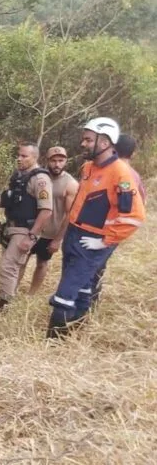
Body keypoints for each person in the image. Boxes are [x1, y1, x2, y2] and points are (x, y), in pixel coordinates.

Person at [47, 118, 146, 338]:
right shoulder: (88, 167)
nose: (83, 144)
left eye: (88, 140)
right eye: (84, 139)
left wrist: (104, 241)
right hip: (75, 234)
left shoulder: (121, 174)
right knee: (83, 286)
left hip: (94, 240)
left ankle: (53, 340)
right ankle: (76, 331)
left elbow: (135, 216)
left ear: (104, 142)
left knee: (66, 291)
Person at [0, 143, 52, 312]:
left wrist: (31, 237)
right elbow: (13, 198)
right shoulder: (20, 176)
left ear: (35, 157)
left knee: (8, 267)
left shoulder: (41, 180)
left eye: (25, 156)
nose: (19, 159)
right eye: (19, 155)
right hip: (11, 227)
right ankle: (6, 302)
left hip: (25, 230)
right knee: (10, 267)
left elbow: (46, 211)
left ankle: (4, 308)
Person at [91, 133, 147, 306]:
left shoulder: (110, 171)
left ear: (112, 147)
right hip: (113, 231)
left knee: (92, 267)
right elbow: (140, 204)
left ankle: (88, 303)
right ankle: (91, 300)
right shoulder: (134, 175)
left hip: (97, 229)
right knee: (97, 267)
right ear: (133, 153)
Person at [24, 146, 79, 295]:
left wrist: (57, 240)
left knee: (42, 263)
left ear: (66, 161)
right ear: (47, 161)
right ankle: (11, 293)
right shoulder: (38, 177)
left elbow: (70, 214)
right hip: (31, 228)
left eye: (61, 160)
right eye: (54, 161)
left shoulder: (71, 184)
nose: (57, 164)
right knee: (20, 261)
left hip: (50, 233)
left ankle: (31, 295)